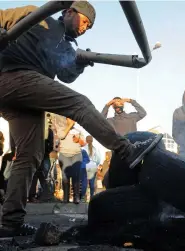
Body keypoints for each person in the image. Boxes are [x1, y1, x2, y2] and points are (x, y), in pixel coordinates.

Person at [0, 2, 162, 237]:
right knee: (79, 104)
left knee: (30, 153)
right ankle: (127, 150)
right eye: (85, 21)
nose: (86, 28)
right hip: (12, 75)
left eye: (90, 26)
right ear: (68, 12)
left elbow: (66, 75)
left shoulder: (66, 47)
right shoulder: (36, 14)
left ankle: (10, 222)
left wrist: (80, 64)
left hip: (25, 94)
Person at [28, 126, 54, 202]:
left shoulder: (48, 130)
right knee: (36, 175)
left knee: (43, 176)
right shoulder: (35, 128)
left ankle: (44, 195)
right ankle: (33, 196)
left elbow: (51, 144)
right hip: (37, 154)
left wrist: (47, 150)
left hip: (43, 155)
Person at [81, 135, 101, 201]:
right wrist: (95, 164)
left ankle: (83, 198)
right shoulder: (95, 149)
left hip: (85, 166)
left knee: (84, 183)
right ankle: (92, 198)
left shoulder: (83, 149)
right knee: (92, 184)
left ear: (86, 141)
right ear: (92, 140)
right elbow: (98, 159)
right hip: (93, 166)